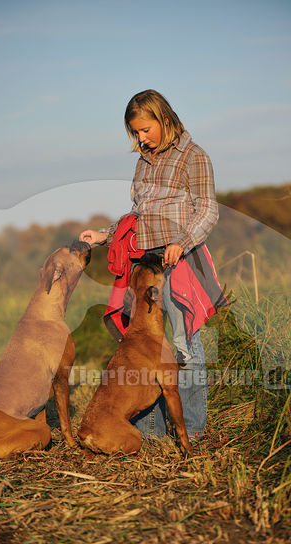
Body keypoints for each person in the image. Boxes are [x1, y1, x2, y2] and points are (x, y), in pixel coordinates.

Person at [80, 89, 222, 441]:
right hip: (141, 263)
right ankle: (151, 435)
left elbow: (208, 210)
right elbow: (138, 215)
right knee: (140, 351)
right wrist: (105, 234)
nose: (141, 138)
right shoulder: (143, 161)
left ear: (164, 118)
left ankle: (191, 431)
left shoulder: (194, 156)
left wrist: (182, 242)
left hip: (176, 259)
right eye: (136, 133)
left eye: (145, 129)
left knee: (184, 346)